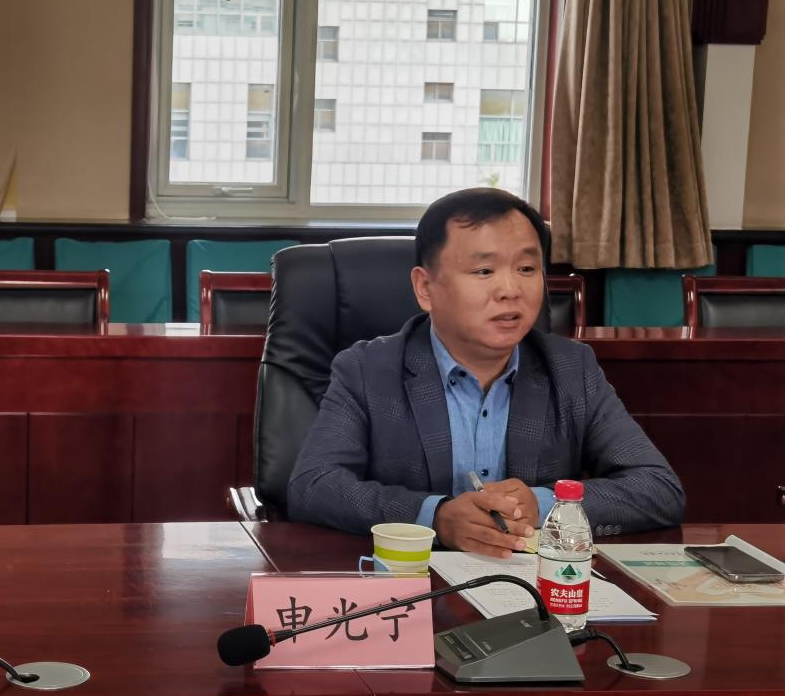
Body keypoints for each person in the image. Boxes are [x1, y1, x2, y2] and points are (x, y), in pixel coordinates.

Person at [287, 187, 684, 558]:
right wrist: (435, 517)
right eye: (484, 271)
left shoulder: (570, 368)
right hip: (412, 583)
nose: (510, 289)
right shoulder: (368, 369)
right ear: (425, 288)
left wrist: (544, 504)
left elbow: (659, 488)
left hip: (529, 586)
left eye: (526, 268)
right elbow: (313, 486)